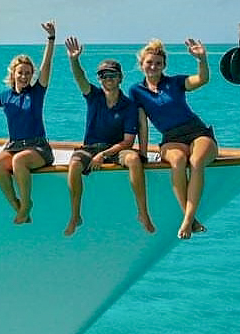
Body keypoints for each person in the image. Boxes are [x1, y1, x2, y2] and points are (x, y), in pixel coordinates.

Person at [62, 38, 153, 237]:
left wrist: (103, 155)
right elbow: (80, 78)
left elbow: (128, 141)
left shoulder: (129, 106)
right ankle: (75, 216)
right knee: (75, 164)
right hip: (91, 147)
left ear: (120, 78)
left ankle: (143, 213)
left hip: (116, 149)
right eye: (103, 75)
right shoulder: (93, 96)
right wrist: (74, 60)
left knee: (134, 159)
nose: (107, 79)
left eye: (112, 75)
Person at [130, 38, 219, 240]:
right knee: (178, 161)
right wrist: (143, 154)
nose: (153, 66)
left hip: (197, 132)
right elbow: (142, 124)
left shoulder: (175, 83)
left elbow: (202, 79)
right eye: (149, 62)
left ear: (164, 66)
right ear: (142, 64)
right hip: (171, 138)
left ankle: (188, 221)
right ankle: (191, 219)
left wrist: (201, 59)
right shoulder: (136, 91)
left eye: (158, 63)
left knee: (196, 161)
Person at [0, 21, 57, 224]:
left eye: (28, 73)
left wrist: (51, 39)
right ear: (13, 74)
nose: (24, 76)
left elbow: (47, 66)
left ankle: (27, 203)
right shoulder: (5, 96)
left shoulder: (37, 92)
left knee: (19, 162)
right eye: (20, 72)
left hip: (38, 147)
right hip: (14, 146)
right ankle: (16, 205)